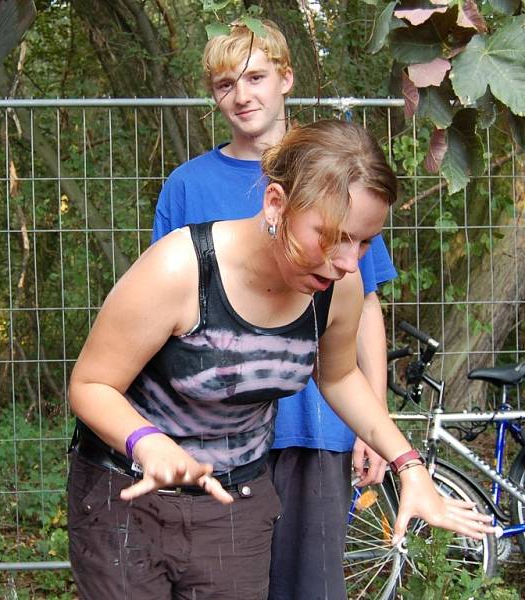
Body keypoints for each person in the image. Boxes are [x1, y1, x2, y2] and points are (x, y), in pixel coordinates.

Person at [67, 119, 492, 600]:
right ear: (276, 203)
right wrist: (148, 442)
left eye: (363, 241)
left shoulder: (339, 287)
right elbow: (90, 385)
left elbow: (339, 376)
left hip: (236, 499)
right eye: (333, 236)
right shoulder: (180, 269)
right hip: (126, 497)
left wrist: (408, 465)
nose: (349, 261)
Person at [151, 21, 394, 599]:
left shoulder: (337, 173)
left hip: (314, 425)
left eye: (256, 76)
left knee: (311, 586)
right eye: (224, 83)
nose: (242, 94)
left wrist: (375, 424)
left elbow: (364, 308)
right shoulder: (187, 187)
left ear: (287, 77)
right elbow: (165, 318)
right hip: (217, 438)